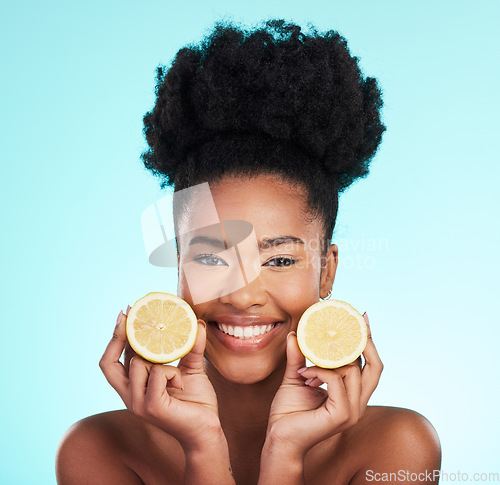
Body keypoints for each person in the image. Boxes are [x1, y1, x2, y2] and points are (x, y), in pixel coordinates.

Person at [55, 19, 441, 484]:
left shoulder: (396, 447)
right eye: (211, 258)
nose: (243, 296)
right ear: (177, 268)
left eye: (279, 259)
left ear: (326, 272)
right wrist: (203, 449)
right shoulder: (97, 451)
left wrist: (285, 452)